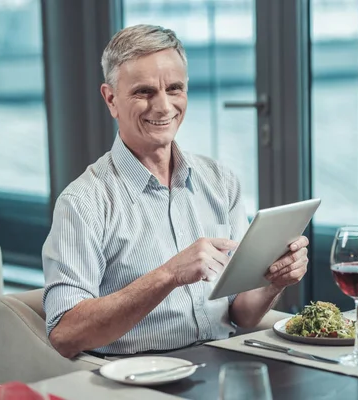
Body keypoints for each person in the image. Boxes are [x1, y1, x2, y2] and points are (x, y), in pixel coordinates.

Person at [42, 24, 309, 359]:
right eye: (144, 92)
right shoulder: (83, 203)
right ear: (111, 99)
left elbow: (241, 314)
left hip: (225, 364)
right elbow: (64, 334)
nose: (164, 106)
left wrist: (274, 281)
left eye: (174, 89)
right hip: (139, 380)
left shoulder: (221, 181)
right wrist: (168, 275)